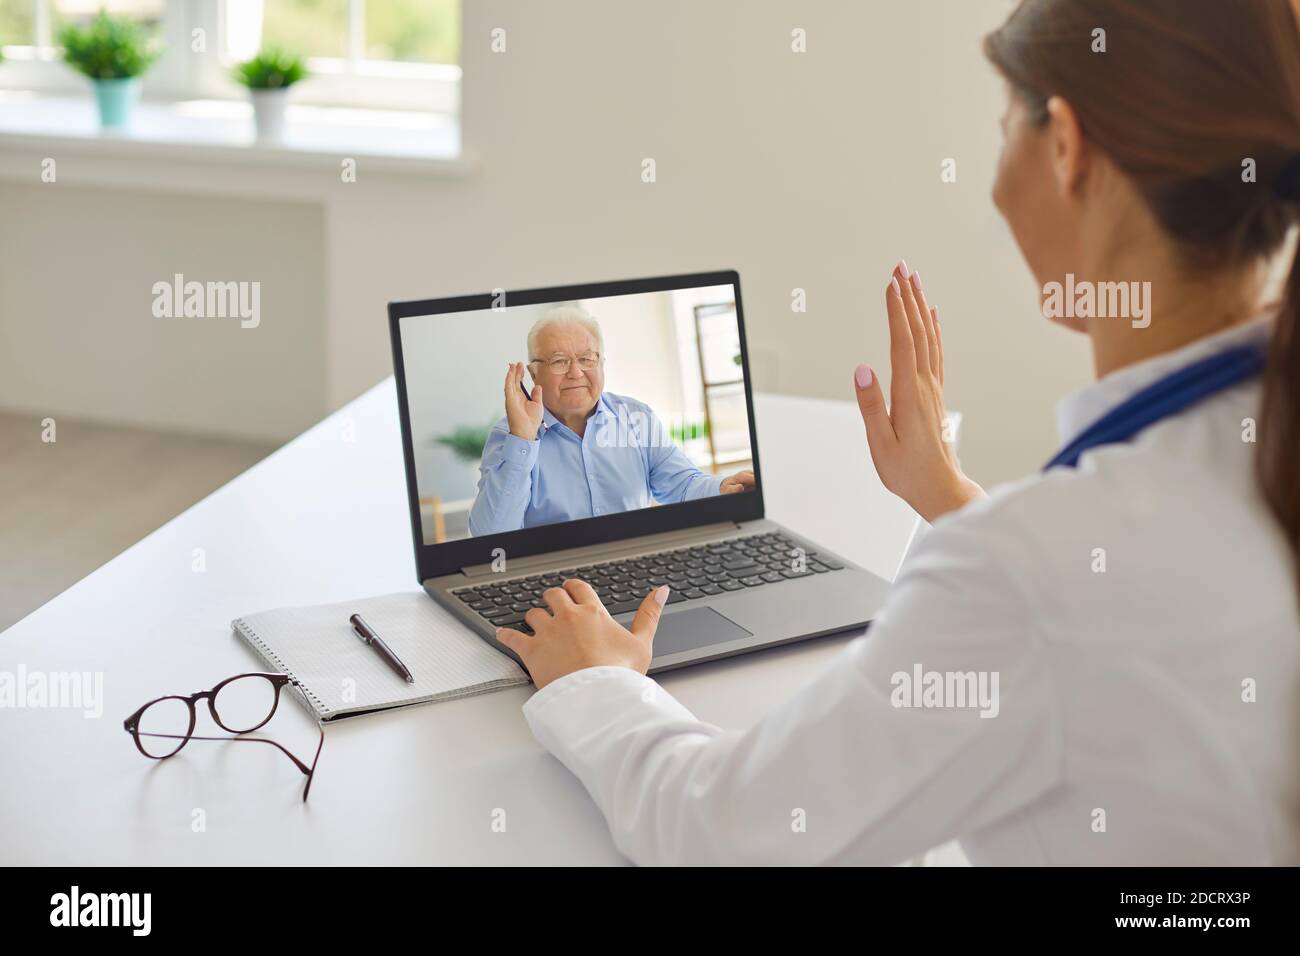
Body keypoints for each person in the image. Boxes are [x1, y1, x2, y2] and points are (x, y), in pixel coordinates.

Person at [491, 0, 1300, 865]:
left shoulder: (1034, 573)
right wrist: (949, 499)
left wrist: (596, 683)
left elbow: (722, 836)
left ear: (1066, 148)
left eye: (1003, 131)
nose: (995, 182)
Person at [467, 305, 755, 536]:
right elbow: (489, 534)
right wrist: (523, 439)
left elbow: (682, 485)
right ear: (533, 374)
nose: (575, 373)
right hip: (556, 586)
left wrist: (722, 489)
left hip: (637, 567)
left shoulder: (637, 418)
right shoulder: (510, 435)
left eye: (587, 359)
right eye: (558, 361)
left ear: (602, 363)